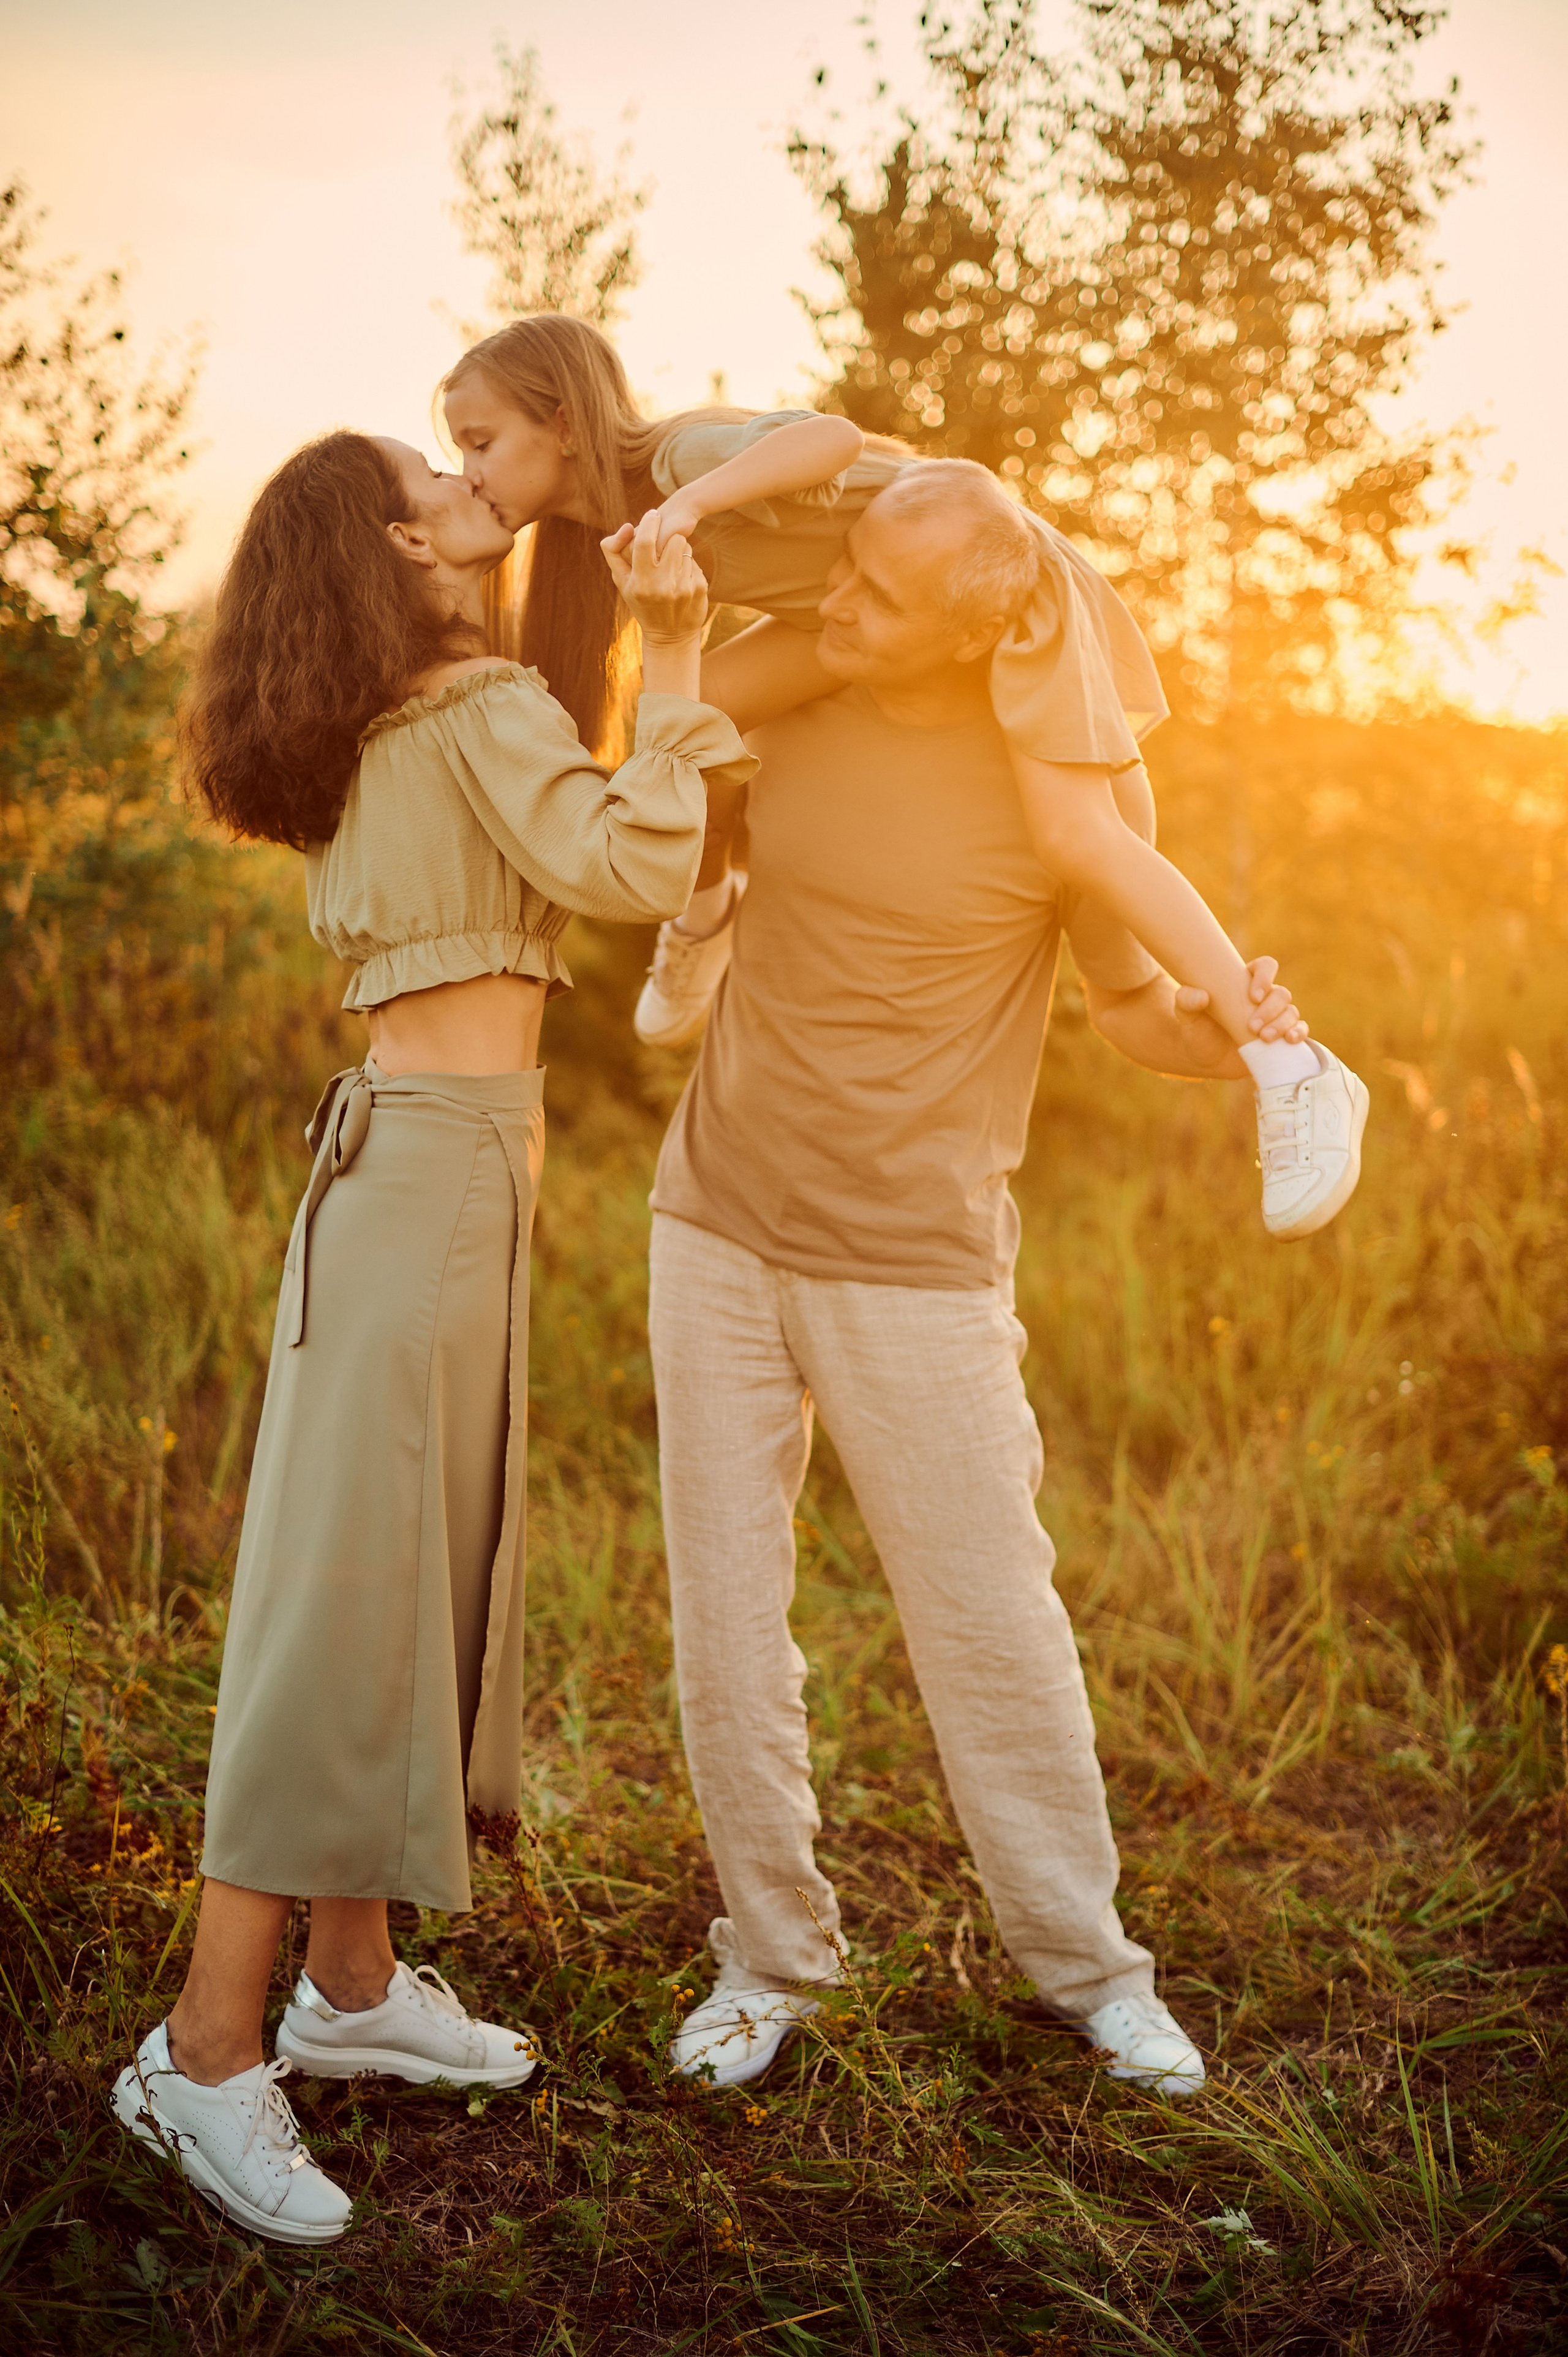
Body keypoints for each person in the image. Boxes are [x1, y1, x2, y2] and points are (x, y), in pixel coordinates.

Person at [110, 433, 753, 2244]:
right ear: (400, 537)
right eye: (439, 472)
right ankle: (204, 2053)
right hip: (429, 1184)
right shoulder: (470, 705)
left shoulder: (391, 724)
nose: (473, 484)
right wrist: (680, 658)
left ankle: (353, 1978)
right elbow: (634, 860)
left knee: (401, 1576)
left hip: (411, 1168)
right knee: (350, 1603)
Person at [639, 464, 1317, 2094]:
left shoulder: (1068, 791)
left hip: (917, 1261)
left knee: (990, 1624)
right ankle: (771, 1956)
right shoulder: (787, 696)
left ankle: (1089, 1971)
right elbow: (657, 751)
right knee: (725, 1624)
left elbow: (1130, 1016)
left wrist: (1238, 1041)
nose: (840, 606)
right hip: (716, 1218)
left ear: (984, 628)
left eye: (881, 595)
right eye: (848, 573)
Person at [442, 312, 1367, 1245]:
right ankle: (709, 911)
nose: (470, 470)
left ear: (562, 422)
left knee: (1076, 835)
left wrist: (690, 507)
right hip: (866, 604)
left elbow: (834, 438)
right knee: (692, 708)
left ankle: (1294, 1069)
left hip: (999, 591)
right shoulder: (588, 546)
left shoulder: (677, 465)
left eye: (480, 442)